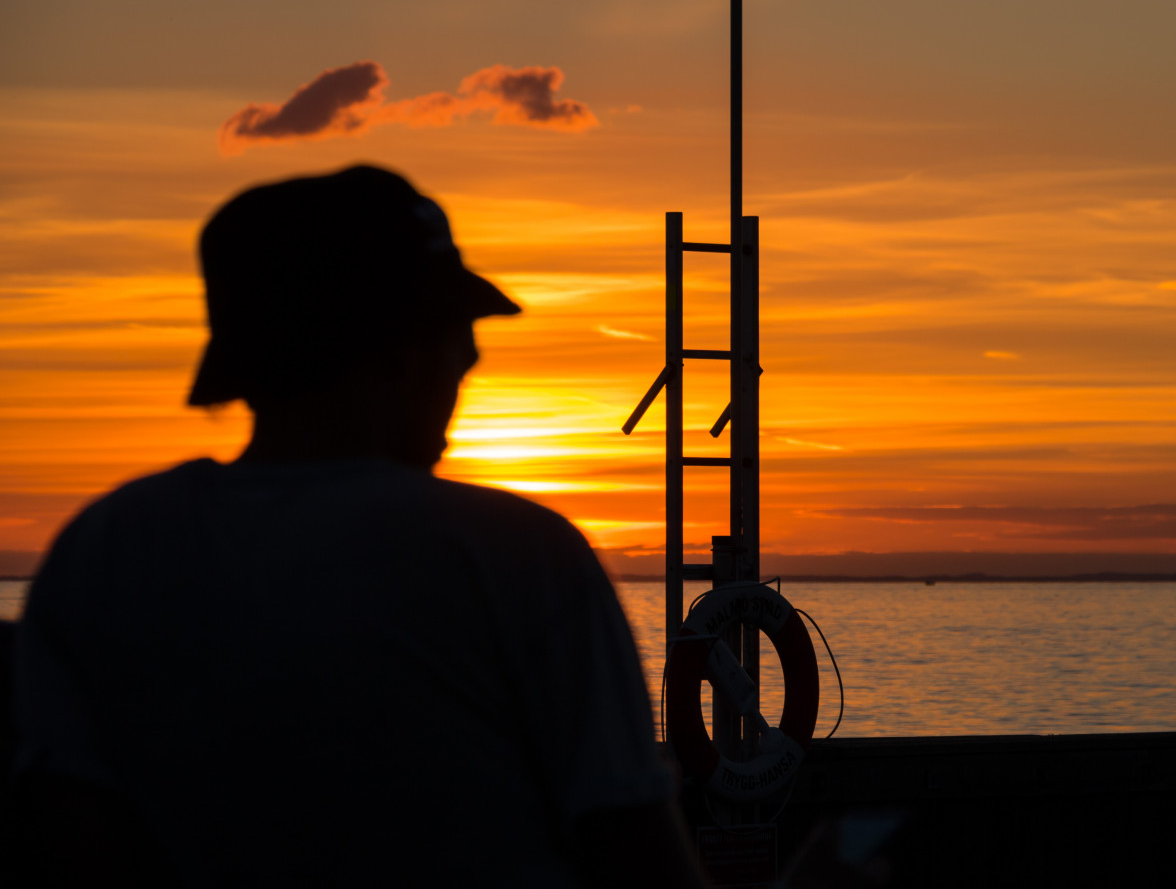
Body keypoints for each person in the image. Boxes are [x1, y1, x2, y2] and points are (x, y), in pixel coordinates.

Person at [11, 165, 708, 888]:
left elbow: (67, 840)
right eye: (454, 332)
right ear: (398, 350)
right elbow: (634, 856)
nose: (470, 356)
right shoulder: (518, 558)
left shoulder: (104, 551)